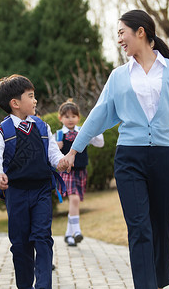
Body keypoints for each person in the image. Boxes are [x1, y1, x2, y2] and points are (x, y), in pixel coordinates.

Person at [59, 9, 169, 289]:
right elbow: (99, 114)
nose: (119, 39)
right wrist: (74, 149)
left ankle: (158, 281)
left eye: (122, 32)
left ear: (141, 32)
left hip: (163, 157)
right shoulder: (118, 76)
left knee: (163, 226)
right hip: (129, 158)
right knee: (139, 227)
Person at [0, 74, 66, 289]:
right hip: (17, 194)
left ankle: (43, 285)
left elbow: (52, 153)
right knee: (21, 244)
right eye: (30, 96)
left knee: (42, 237)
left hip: (41, 191)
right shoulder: (3, 132)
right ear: (15, 103)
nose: (35, 100)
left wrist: (61, 162)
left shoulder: (42, 127)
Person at [55, 99, 104, 246]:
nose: (70, 119)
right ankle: (77, 231)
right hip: (67, 172)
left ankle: (68, 235)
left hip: (81, 171)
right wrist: (57, 147)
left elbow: (100, 143)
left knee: (75, 203)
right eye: (67, 116)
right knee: (74, 199)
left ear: (79, 117)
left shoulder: (83, 131)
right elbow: (50, 152)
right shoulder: (58, 135)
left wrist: (94, 129)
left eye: (73, 116)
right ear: (60, 118)